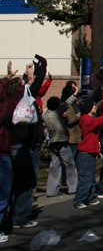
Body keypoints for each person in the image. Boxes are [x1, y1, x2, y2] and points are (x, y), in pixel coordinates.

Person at [9, 56, 47, 230]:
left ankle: (12, 215)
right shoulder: (22, 103)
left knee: (14, 182)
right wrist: (36, 72)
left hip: (14, 145)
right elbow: (36, 84)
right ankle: (20, 217)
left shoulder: (8, 103)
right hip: (25, 146)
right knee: (27, 182)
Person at [74, 97, 103, 209]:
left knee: (92, 178)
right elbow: (101, 121)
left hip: (91, 153)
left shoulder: (88, 119)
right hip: (85, 154)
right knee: (85, 178)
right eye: (92, 105)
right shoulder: (86, 120)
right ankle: (79, 200)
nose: (94, 107)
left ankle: (89, 198)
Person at [1, 65, 25, 244]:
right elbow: (10, 103)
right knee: (2, 194)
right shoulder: (4, 108)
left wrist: (8, 77)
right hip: (1, 153)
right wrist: (22, 85)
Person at [42, 95, 78, 197]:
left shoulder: (45, 115)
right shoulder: (57, 113)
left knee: (54, 165)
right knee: (70, 164)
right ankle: (73, 187)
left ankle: (51, 190)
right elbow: (67, 103)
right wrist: (74, 94)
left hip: (53, 142)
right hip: (62, 141)